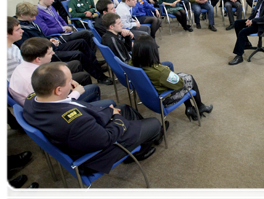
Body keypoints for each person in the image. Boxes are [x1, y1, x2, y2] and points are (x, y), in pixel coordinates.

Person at [23, 62, 162, 173]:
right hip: (98, 153)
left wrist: (109, 112)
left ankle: (145, 137)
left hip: (86, 133)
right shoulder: (75, 122)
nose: (73, 82)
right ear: (58, 90)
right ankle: (143, 148)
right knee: (154, 123)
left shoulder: (32, 100)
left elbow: (78, 112)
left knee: (126, 109)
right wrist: (117, 118)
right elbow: (106, 139)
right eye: (69, 80)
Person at [15, 2, 109, 85]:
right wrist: (49, 43)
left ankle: (95, 66)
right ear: (22, 15)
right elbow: (32, 49)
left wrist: (50, 39)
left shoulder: (29, 23)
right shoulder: (21, 31)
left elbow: (41, 37)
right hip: (47, 53)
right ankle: (100, 77)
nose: (34, 18)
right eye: (32, 16)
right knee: (79, 54)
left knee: (82, 42)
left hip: (51, 45)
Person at [9, 37, 115, 107]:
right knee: (101, 95)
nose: (53, 53)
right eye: (50, 53)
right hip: (55, 109)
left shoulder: (26, 65)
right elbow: (54, 105)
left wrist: (68, 81)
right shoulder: (31, 80)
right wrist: (76, 92)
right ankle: (87, 110)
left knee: (78, 68)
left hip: (50, 99)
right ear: (38, 59)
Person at [131, 35, 213, 121]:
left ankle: (189, 107)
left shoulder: (132, 63)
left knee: (180, 75)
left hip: (148, 96)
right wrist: (167, 71)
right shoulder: (161, 72)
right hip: (164, 99)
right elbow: (180, 83)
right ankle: (200, 106)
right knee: (189, 79)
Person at [33, 0, 97, 52]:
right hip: (57, 36)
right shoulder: (37, 13)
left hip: (64, 32)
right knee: (88, 34)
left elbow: (60, 18)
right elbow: (46, 31)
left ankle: (90, 59)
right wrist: (63, 28)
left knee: (86, 37)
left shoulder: (50, 7)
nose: (53, 1)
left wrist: (67, 27)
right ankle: (92, 60)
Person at [5, 16, 23, 81]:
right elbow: (18, 78)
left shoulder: (13, 46)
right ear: (6, 34)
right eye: (17, 30)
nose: (22, 31)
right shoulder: (8, 55)